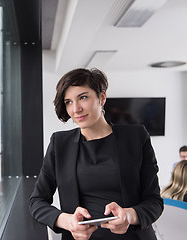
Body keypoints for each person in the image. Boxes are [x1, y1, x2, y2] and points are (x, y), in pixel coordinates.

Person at [29, 68, 163, 240]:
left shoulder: (136, 137)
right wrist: (67, 221)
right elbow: (37, 202)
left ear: (102, 97)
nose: (76, 109)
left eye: (83, 97)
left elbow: (154, 201)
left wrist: (129, 216)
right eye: (68, 102)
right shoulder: (59, 143)